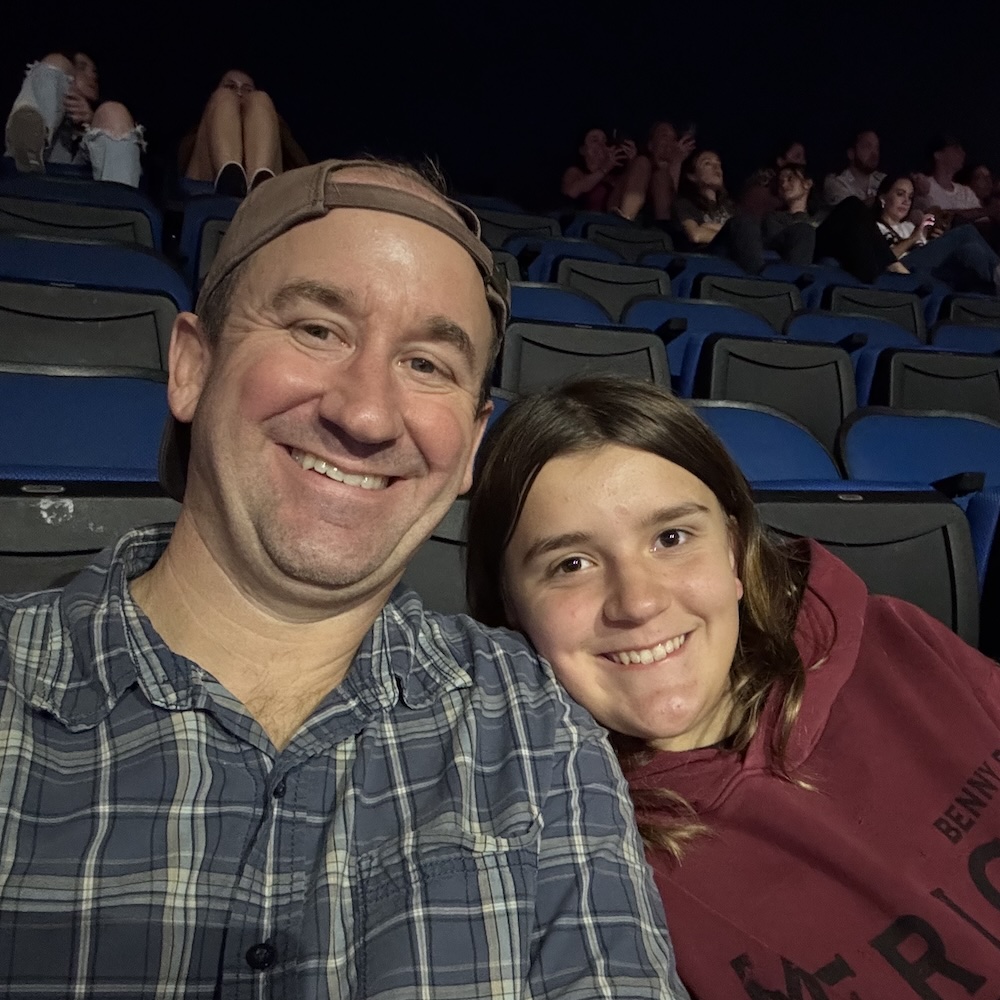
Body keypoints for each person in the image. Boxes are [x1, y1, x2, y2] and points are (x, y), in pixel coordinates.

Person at [0, 161, 687, 998]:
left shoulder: (534, 723)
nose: (365, 414)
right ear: (191, 366)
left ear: (472, 445)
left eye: (427, 364)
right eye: (318, 330)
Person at [467, 374, 1000, 999]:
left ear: (735, 549)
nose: (637, 603)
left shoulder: (902, 643)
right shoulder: (553, 858)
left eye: (671, 538)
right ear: (510, 610)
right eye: (571, 564)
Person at [4, 51, 144, 186]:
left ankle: (116, 198)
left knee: (114, 112)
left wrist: (90, 122)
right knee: (56, 60)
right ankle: (28, 146)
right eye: (82, 68)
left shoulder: (103, 114)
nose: (93, 75)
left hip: (91, 191)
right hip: (37, 168)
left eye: (95, 72)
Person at [673, 148, 813, 273]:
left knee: (803, 230)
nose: (716, 168)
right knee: (743, 223)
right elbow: (696, 235)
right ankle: (759, 280)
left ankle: (793, 282)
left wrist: (709, 226)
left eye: (718, 164)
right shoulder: (685, 204)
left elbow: (750, 235)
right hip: (709, 256)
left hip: (737, 253)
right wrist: (735, 233)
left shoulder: (730, 206)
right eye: (707, 163)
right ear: (692, 176)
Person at [179, 69, 309, 197]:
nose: (239, 93)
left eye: (247, 90)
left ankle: (261, 183)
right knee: (224, 97)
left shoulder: (276, 125)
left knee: (260, 98)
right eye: (230, 86)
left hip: (269, 195)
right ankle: (229, 177)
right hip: (206, 188)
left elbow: (301, 165)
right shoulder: (198, 133)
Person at [876, 173, 1000, 294]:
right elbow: (881, 259)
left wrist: (937, 242)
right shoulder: (874, 228)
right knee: (966, 232)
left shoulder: (910, 227)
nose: (906, 201)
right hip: (897, 272)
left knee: (971, 250)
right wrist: (913, 238)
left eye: (910, 197)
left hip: (928, 273)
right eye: (900, 194)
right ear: (883, 198)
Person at [614, 120, 697, 223]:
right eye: (664, 135)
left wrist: (677, 162)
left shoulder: (672, 175)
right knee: (642, 162)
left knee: (661, 175)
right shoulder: (640, 163)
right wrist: (632, 165)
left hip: (659, 220)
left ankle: (664, 226)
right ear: (651, 145)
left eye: (674, 138)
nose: (670, 141)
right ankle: (625, 220)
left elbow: (670, 198)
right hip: (620, 213)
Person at [911, 135, 988, 227]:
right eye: (956, 148)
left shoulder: (966, 192)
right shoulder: (924, 187)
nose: (962, 153)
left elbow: (983, 221)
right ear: (938, 154)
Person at [560, 125, 637, 212]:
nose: (602, 145)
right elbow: (571, 192)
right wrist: (604, 169)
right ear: (583, 150)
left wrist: (632, 162)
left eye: (605, 141)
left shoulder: (614, 176)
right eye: (595, 140)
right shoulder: (575, 172)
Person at [823, 128, 885, 206]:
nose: (874, 154)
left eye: (877, 148)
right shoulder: (836, 182)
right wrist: (882, 200)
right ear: (851, 153)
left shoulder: (883, 180)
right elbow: (847, 210)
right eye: (867, 147)